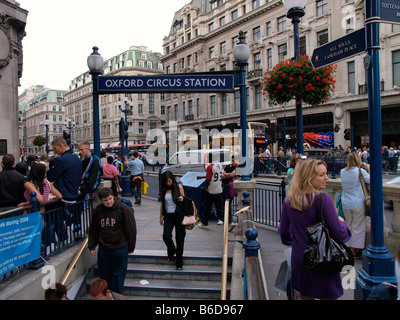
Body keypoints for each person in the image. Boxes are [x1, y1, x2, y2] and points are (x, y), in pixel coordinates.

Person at [278, 159, 351, 300]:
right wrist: (343, 223)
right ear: (309, 178)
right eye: (322, 175)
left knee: (305, 296)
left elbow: (283, 233)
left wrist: (298, 241)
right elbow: (340, 234)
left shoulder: (289, 200)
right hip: (323, 258)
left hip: (300, 258)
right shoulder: (322, 199)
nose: (327, 177)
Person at [88, 187, 137, 294]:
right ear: (101, 200)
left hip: (120, 248)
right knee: (104, 276)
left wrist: (131, 246)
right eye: (105, 200)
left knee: (118, 276)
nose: (108, 202)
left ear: (113, 197)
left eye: (110, 199)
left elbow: (131, 229)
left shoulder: (123, 209)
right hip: (104, 249)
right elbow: (93, 229)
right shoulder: (99, 210)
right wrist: (92, 245)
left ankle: (116, 295)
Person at [46, 138, 82, 242]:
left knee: (54, 218)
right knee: (63, 217)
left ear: (61, 145)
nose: (54, 151)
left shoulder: (62, 160)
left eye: (55, 148)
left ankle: (59, 240)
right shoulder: (76, 158)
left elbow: (51, 177)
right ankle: (67, 235)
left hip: (64, 194)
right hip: (73, 192)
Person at [340, 153, 370, 258]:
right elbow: (371, 180)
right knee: (358, 226)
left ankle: (347, 247)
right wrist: (368, 169)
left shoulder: (342, 172)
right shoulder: (360, 171)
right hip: (358, 202)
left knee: (349, 224)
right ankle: (354, 250)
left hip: (346, 202)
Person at [159, 171, 186, 270]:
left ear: (172, 179)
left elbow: (185, 199)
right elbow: (163, 203)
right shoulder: (163, 190)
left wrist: (182, 199)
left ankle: (179, 262)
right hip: (168, 216)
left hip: (179, 215)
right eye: (166, 182)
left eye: (169, 181)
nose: (168, 183)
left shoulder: (179, 188)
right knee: (166, 236)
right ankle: (172, 251)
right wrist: (160, 217)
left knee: (180, 239)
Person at [198, 154, 224, 228]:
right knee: (219, 205)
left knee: (208, 207)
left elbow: (208, 179)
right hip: (218, 187)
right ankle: (221, 219)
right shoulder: (219, 165)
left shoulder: (210, 167)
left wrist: (206, 187)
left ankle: (204, 222)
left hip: (211, 189)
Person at [221, 156, 238, 231]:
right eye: (232, 160)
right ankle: (227, 220)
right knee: (224, 203)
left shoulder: (236, 168)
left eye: (233, 160)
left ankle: (230, 221)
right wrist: (227, 175)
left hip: (230, 187)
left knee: (228, 203)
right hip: (224, 186)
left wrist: (226, 175)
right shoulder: (227, 166)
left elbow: (232, 175)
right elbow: (222, 174)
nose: (232, 161)